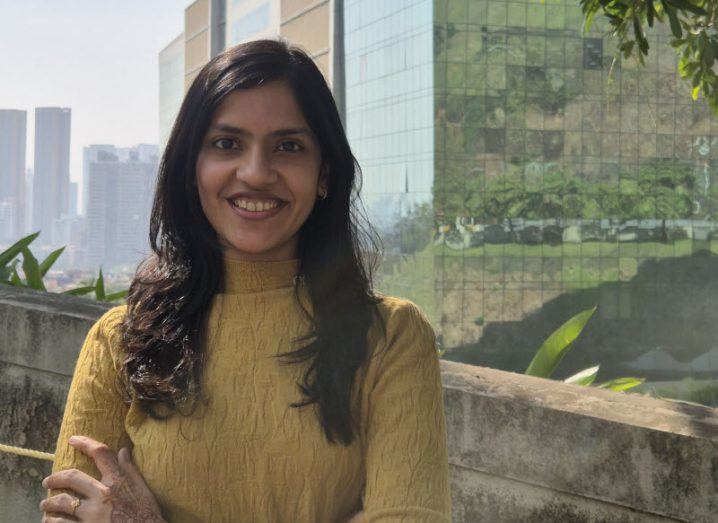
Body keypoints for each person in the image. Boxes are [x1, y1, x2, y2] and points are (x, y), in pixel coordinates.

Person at [40, 38, 451, 523]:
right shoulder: (122, 340)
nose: (255, 173)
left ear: (324, 173)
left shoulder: (390, 338)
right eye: (227, 144)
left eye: (288, 147)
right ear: (193, 168)